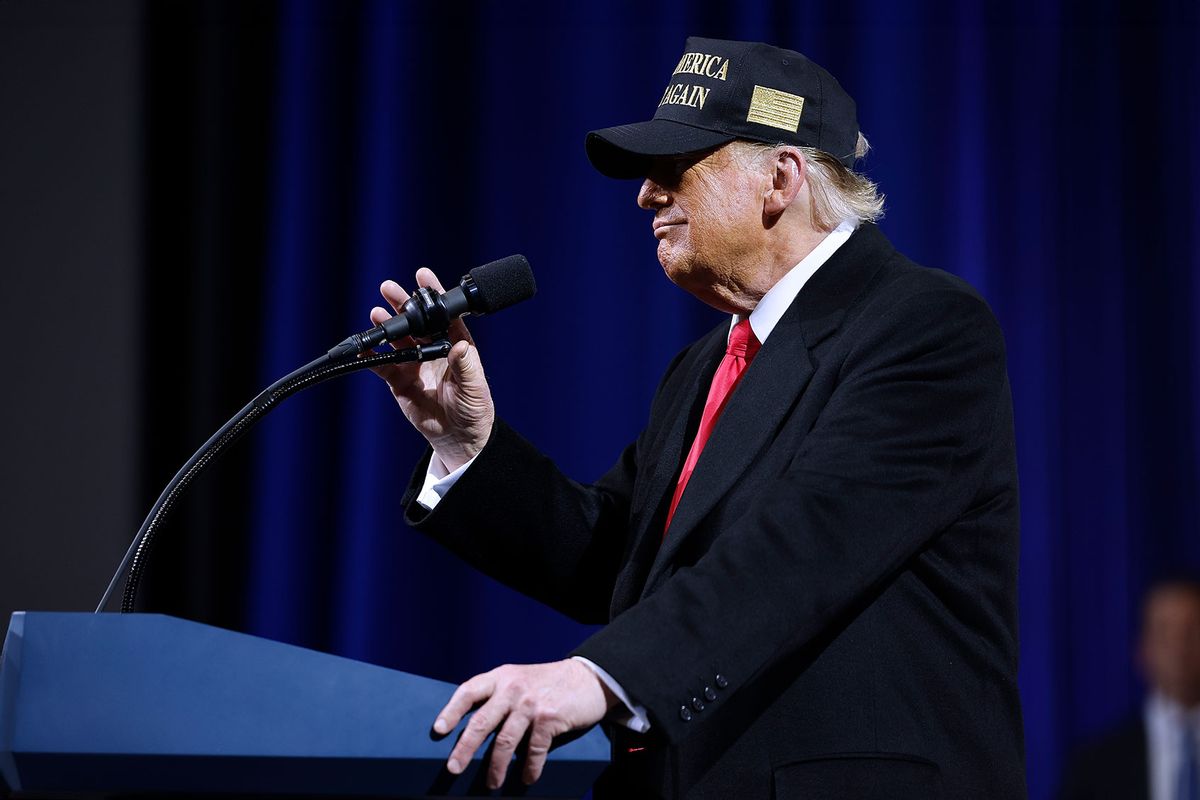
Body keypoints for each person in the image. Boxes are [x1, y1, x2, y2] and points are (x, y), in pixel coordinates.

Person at [369, 37, 1025, 799]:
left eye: (677, 167)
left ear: (781, 179)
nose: (646, 195)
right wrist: (465, 443)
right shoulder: (707, 364)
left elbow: (806, 546)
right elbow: (618, 561)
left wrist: (603, 675)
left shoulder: (924, 326)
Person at [1058, 579, 1200, 800]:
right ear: (1143, 648)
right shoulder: (1097, 766)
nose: (1178, 647)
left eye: (1191, 631)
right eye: (1164, 633)